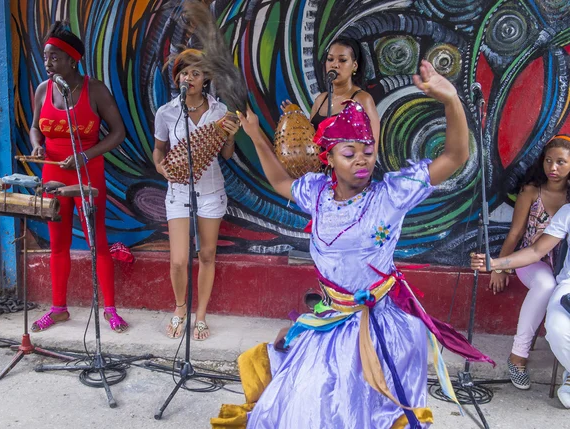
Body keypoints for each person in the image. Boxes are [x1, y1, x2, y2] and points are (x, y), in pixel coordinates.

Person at [210, 60, 493, 429]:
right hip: (331, 316)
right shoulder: (317, 193)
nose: (362, 159)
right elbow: (280, 181)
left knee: (359, 406)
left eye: (368, 151)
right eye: (349, 153)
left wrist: (451, 99)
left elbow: (456, 156)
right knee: (306, 398)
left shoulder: (391, 195)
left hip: (380, 324)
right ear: (328, 159)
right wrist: (254, 134)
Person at [29, 21, 128, 332]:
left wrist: (86, 154)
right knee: (58, 243)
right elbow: (35, 127)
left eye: (55, 57)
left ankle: (109, 309)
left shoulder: (95, 90)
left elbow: (118, 133)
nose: (48, 64)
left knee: (97, 241)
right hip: (52, 173)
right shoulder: (43, 90)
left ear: (73, 60)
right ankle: (59, 308)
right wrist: (36, 146)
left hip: (87, 171)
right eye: (46, 57)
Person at [153, 49, 239, 341]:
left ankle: (200, 315)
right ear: (177, 77)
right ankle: (180, 309)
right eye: (184, 72)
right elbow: (159, 150)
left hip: (211, 191)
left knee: (207, 254)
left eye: (196, 73)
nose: (189, 78)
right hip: (177, 191)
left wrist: (230, 135)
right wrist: (160, 168)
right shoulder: (166, 112)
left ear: (206, 79)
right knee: (178, 260)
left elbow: (226, 154)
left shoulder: (220, 111)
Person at [471, 191, 570, 408]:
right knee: (556, 328)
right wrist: (496, 264)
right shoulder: (567, 212)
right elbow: (535, 250)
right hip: (568, 288)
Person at [489, 136, 570, 389]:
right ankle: (518, 357)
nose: (553, 168)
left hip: (562, 266)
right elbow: (515, 233)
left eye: (561, 162)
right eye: (548, 161)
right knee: (545, 285)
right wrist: (501, 266)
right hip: (532, 261)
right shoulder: (532, 191)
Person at [282, 38, 380, 137]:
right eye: (330, 59)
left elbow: (371, 148)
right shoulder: (321, 100)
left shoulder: (362, 99)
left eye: (342, 60)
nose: (334, 65)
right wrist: (297, 118)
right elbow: (312, 141)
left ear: (354, 66)